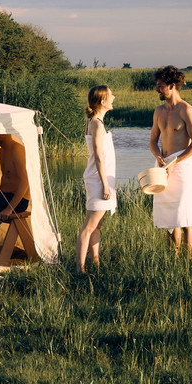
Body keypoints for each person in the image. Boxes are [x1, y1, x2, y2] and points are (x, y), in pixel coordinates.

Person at [149, 65, 192, 255]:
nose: (157, 89)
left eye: (160, 86)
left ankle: (189, 263)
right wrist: (159, 158)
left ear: (172, 86)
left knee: (185, 217)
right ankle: (174, 259)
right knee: (169, 219)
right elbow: (153, 142)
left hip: (182, 166)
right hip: (163, 167)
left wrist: (174, 162)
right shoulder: (158, 111)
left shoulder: (186, 110)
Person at [76, 85, 116, 275]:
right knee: (89, 226)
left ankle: (96, 263)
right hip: (99, 180)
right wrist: (106, 184)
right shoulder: (97, 125)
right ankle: (80, 269)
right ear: (102, 101)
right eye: (111, 95)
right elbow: (99, 157)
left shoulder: (94, 122)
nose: (114, 98)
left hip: (99, 178)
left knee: (96, 225)